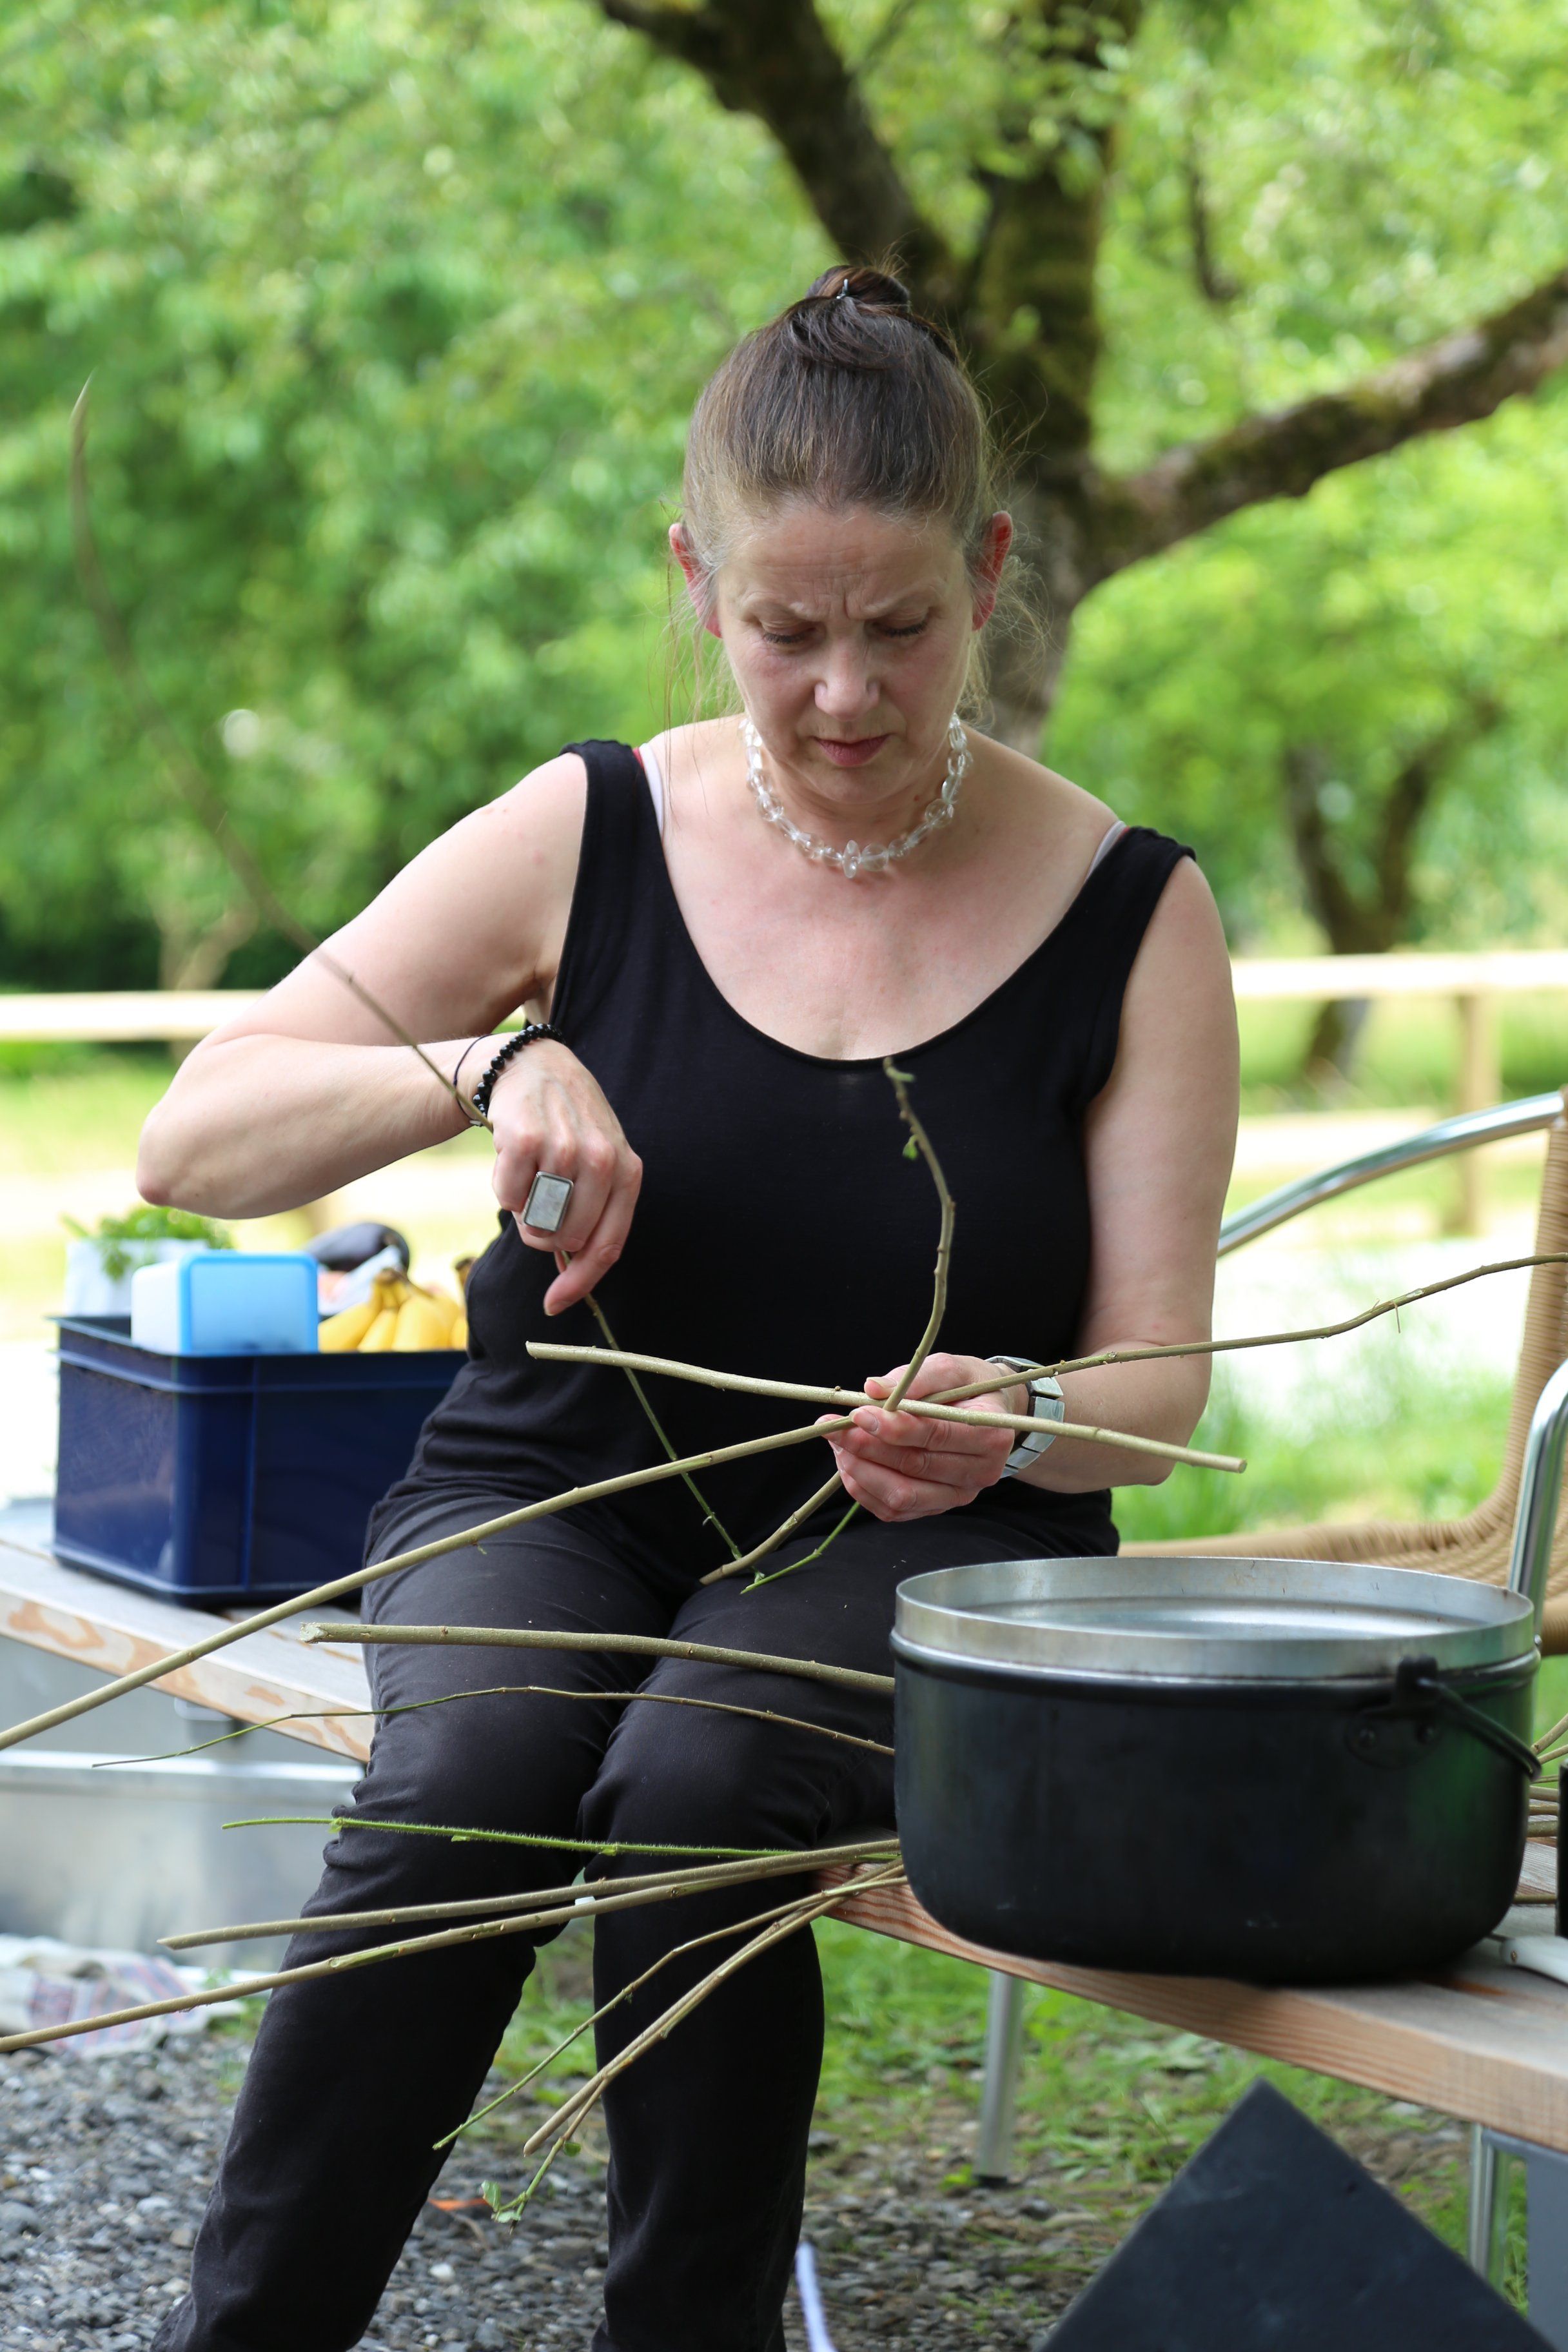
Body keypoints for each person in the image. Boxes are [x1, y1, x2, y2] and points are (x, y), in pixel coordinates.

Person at [138, 264, 1238, 2352]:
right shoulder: (592, 827)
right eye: (783, 631)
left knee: (696, 1793)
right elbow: (195, 1136)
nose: (843, 694)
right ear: (695, 579)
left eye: (900, 628)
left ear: (991, 576)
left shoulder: (1135, 912)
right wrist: (486, 1066)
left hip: (926, 1543)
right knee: (474, 1767)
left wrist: (1019, 1414)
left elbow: (1162, 1381)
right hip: (556, 1481)